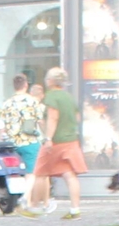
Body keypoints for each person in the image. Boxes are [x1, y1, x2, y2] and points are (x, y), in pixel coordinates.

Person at [25, 66, 86, 217]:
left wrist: (48, 138)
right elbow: (77, 118)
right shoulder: (68, 97)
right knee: (69, 174)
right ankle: (75, 209)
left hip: (56, 141)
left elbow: (53, 117)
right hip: (71, 140)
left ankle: (34, 208)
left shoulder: (51, 97)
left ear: (51, 81)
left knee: (40, 173)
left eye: (47, 79)